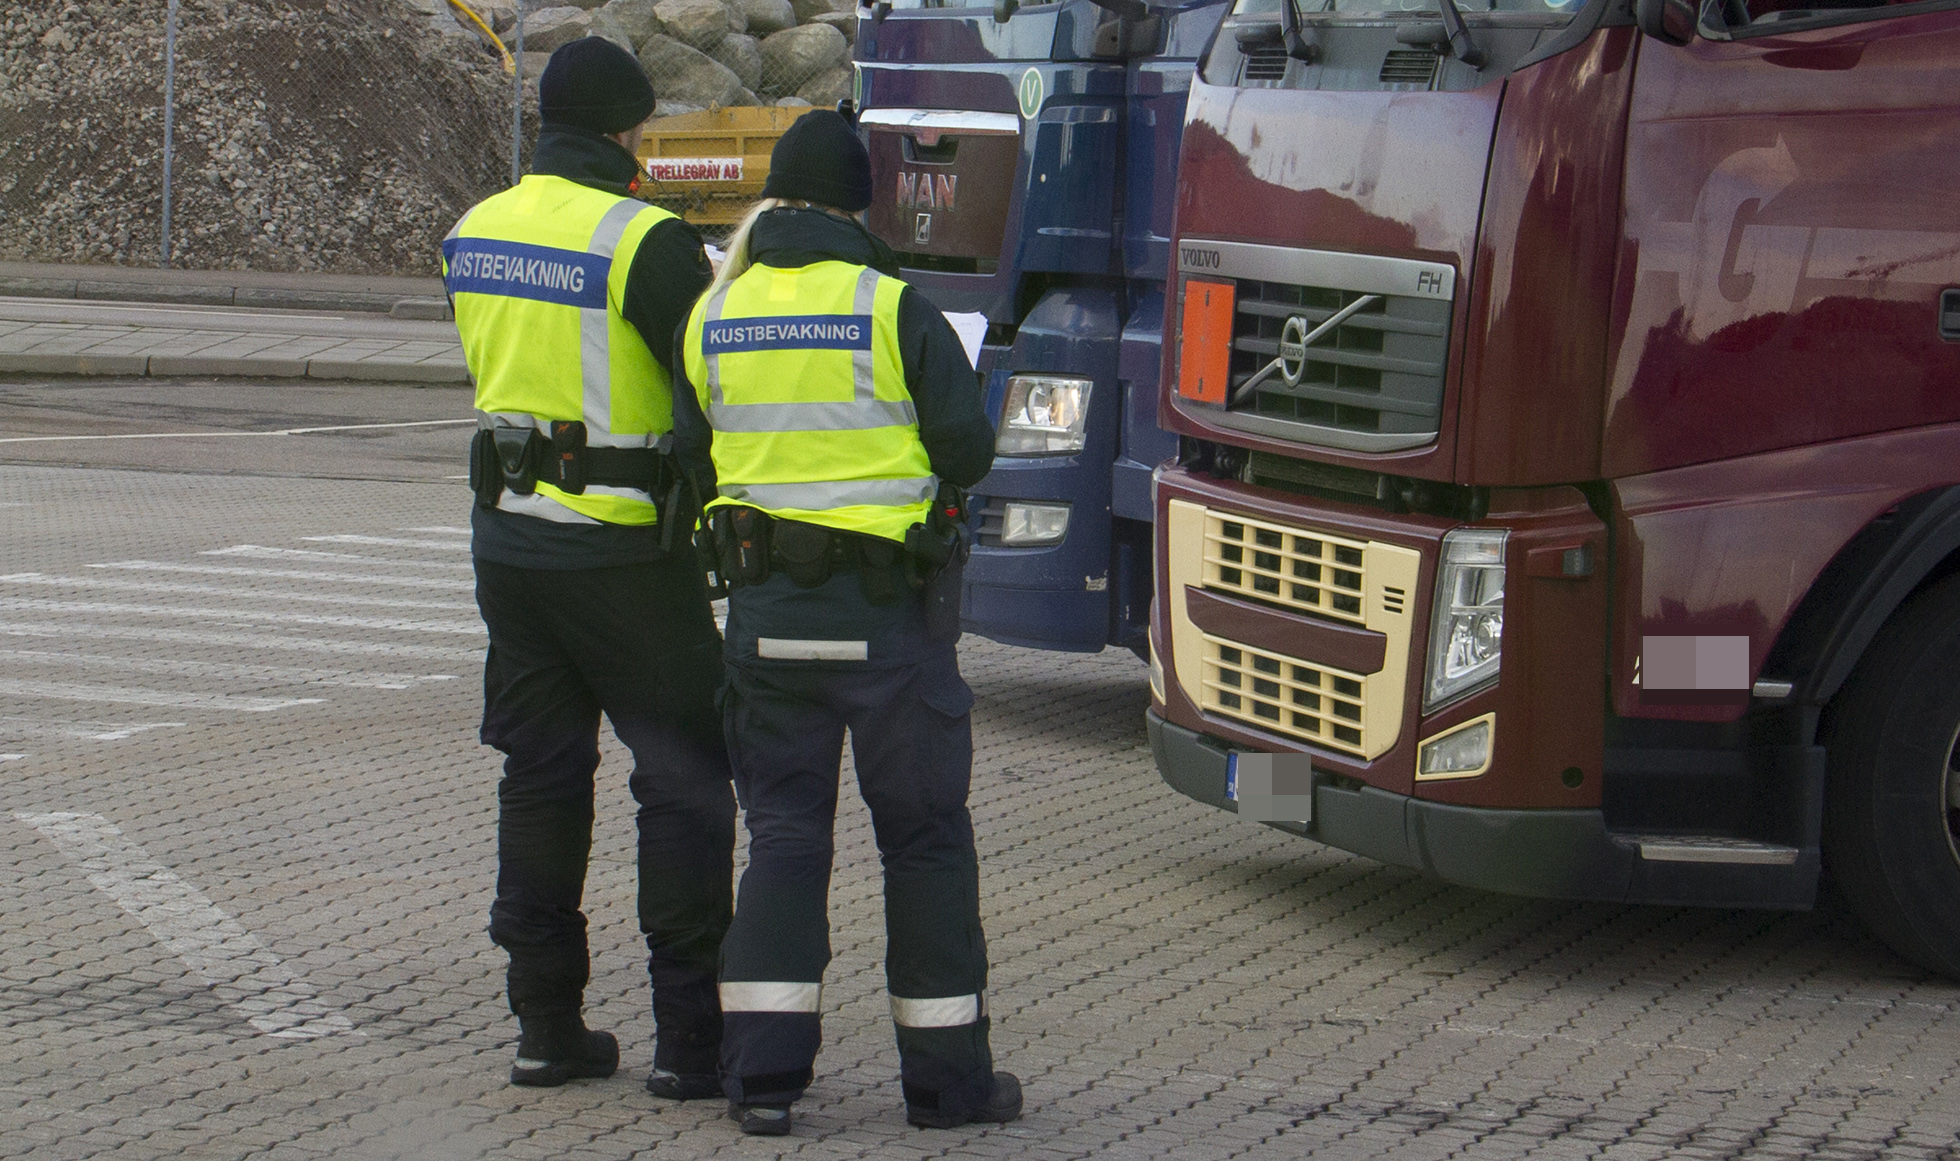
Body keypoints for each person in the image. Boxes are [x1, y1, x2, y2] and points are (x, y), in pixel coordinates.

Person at [670, 109, 1021, 1137]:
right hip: (889, 626)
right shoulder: (890, 306)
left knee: (781, 838)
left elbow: (698, 459)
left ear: (776, 196)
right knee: (921, 843)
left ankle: (765, 1081)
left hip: (766, 622)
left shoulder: (714, 313)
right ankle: (946, 1088)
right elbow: (966, 453)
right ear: (858, 203)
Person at [442, 37, 735, 1095]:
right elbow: (708, 386)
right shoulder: (646, 240)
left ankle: (544, 1024)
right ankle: (690, 1042)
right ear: (625, 132)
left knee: (541, 775)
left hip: (508, 545)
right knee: (686, 778)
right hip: (620, 552)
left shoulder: (473, 230)